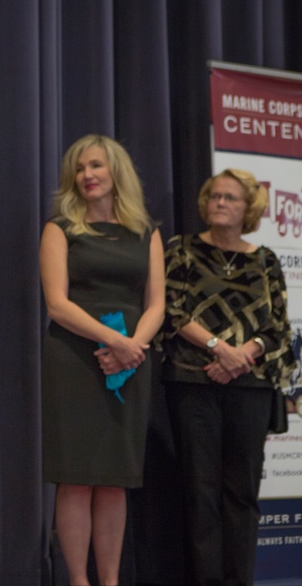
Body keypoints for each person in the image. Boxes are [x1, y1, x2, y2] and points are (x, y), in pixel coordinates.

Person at [158, 169, 296, 585]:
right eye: (215, 196)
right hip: (193, 383)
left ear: (248, 209)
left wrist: (241, 356)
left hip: (251, 387)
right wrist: (221, 349)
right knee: (201, 494)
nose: (220, 203)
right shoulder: (181, 250)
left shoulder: (265, 260)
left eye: (231, 198)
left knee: (241, 493)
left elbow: (278, 328)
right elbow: (174, 312)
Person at [39, 134, 165, 586]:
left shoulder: (145, 232)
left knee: (114, 479)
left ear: (116, 172)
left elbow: (156, 305)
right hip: (74, 360)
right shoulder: (60, 228)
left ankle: (109, 581)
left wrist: (132, 350)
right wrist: (117, 341)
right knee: (76, 478)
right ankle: (78, 580)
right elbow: (57, 304)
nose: (87, 175)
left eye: (95, 165)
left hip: (130, 362)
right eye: (79, 168)